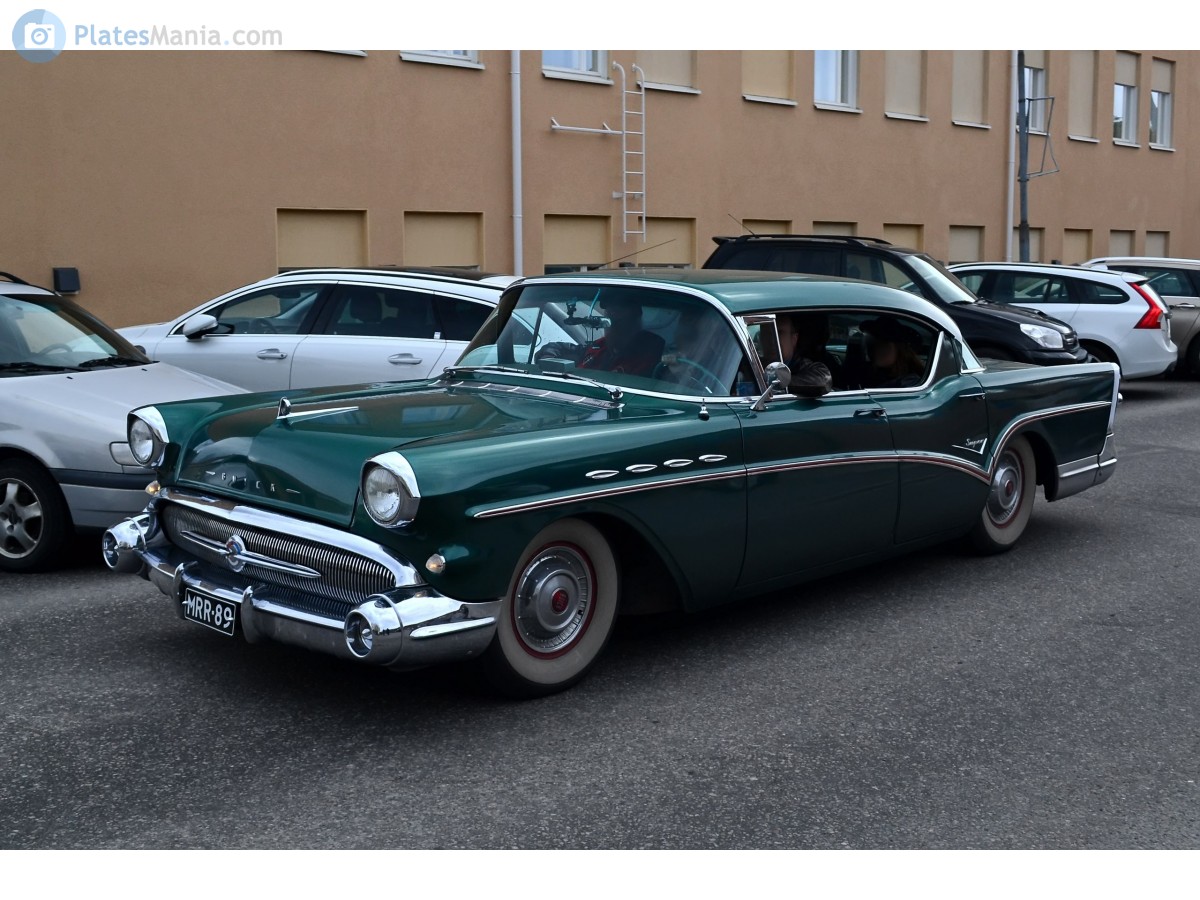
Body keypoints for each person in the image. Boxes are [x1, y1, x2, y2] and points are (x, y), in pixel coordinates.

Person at [577, 293, 665, 377]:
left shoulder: (650, 349)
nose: (612, 314)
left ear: (635, 317)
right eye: (608, 318)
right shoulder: (600, 345)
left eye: (618, 313)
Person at [775, 312, 835, 395]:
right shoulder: (756, 363)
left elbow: (822, 380)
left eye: (779, 333)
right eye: (766, 332)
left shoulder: (801, 364)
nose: (771, 338)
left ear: (794, 339)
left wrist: (775, 382)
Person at [860, 316, 925, 388]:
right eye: (874, 343)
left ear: (900, 349)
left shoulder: (910, 383)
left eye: (884, 343)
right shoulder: (870, 375)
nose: (877, 349)